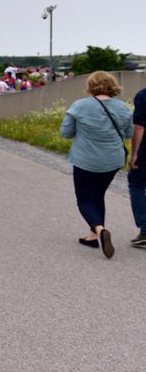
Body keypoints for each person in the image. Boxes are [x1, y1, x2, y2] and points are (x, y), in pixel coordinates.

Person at [60, 71, 133, 259]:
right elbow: (128, 133)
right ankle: (93, 235)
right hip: (112, 160)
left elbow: (66, 133)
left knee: (84, 199)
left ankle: (100, 230)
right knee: (98, 195)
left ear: (90, 86)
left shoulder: (80, 106)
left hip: (86, 160)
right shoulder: (123, 108)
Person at [129, 86, 146, 248]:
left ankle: (145, 230)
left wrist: (134, 153)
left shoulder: (143, 95)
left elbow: (139, 127)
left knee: (137, 183)